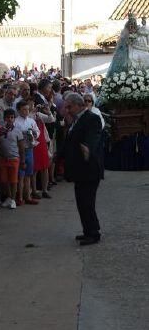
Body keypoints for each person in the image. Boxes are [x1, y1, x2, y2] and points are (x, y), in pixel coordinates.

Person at [64, 93, 103, 246]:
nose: (67, 110)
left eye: (70, 106)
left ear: (79, 105)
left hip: (90, 168)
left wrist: (87, 147)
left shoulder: (91, 118)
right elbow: (70, 142)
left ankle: (94, 233)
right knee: (81, 201)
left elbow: (94, 136)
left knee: (87, 202)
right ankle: (88, 230)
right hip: (80, 169)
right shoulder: (76, 120)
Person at [0, 108, 25, 209]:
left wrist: (23, 161)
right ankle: (8, 197)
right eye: (8, 117)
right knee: (4, 180)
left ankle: (13, 199)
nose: (10, 119)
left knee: (13, 180)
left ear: (14, 119)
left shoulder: (18, 131)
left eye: (12, 117)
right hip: (3, 158)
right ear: (4, 118)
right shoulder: (0, 130)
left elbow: (21, 147)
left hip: (14, 158)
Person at [14, 100, 40, 206]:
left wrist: (34, 134)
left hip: (30, 148)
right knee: (21, 175)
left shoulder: (31, 121)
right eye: (24, 109)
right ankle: (19, 197)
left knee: (28, 174)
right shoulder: (16, 122)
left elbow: (37, 132)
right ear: (19, 110)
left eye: (27, 109)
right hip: (20, 150)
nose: (26, 111)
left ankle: (27, 196)